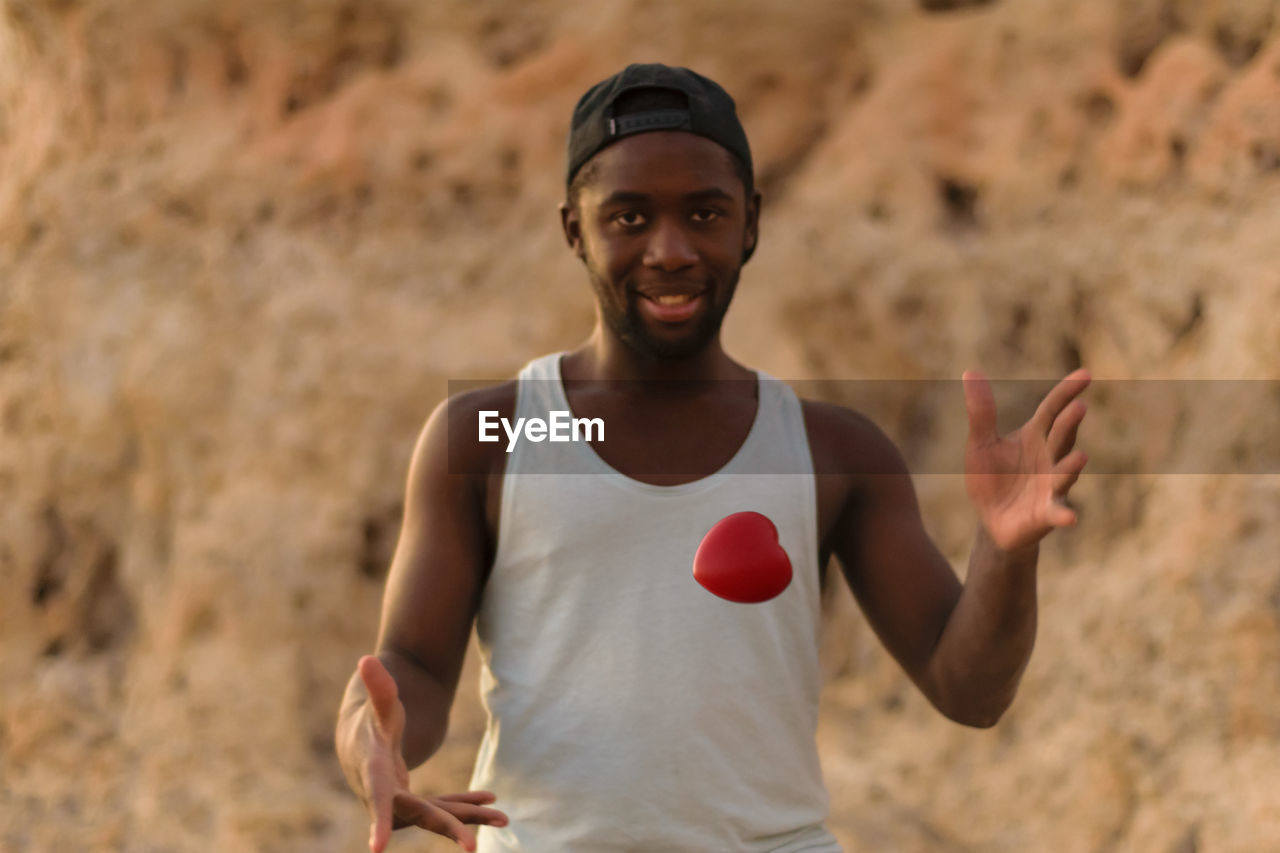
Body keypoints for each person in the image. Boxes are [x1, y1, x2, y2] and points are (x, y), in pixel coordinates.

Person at [334, 63, 1090, 853]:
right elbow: (409, 666)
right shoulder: (493, 434)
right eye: (628, 218)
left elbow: (968, 689)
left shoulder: (829, 452)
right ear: (573, 229)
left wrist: (1006, 555)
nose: (670, 250)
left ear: (750, 224)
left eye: (704, 213)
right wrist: (371, 745)